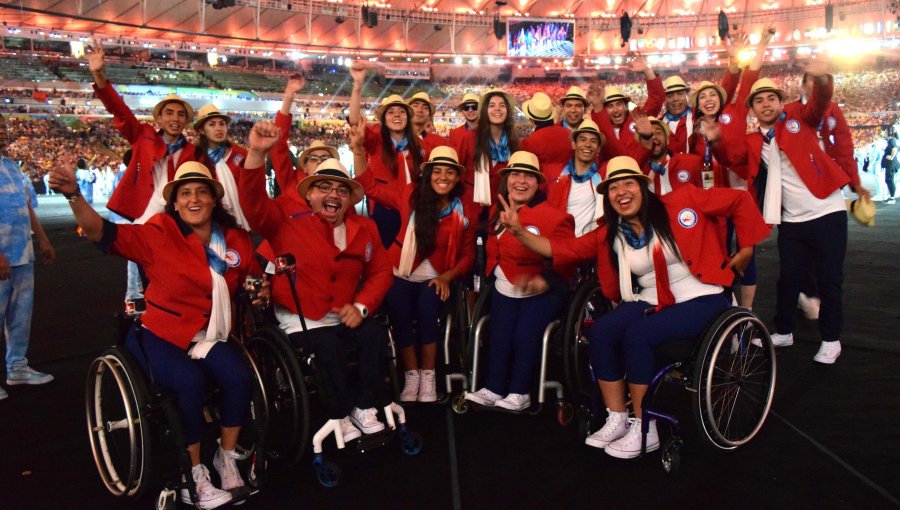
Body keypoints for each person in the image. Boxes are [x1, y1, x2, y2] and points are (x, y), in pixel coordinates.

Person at [505, 156, 769, 458]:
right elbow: (565, 249)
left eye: (628, 183)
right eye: (613, 188)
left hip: (701, 295)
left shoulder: (682, 201)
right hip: (651, 299)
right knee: (603, 331)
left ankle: (647, 425)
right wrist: (518, 231)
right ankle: (617, 416)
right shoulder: (611, 233)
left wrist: (746, 248)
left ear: (643, 187)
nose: (621, 192)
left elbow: (740, 199)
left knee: (638, 335)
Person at [50, 158, 260, 509]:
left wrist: (259, 287)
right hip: (161, 334)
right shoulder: (160, 232)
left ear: (213, 199)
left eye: (201, 192)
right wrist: (75, 196)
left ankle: (226, 458)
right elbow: (103, 232)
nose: (194, 199)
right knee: (189, 382)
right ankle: (191, 474)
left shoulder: (236, 239)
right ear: (175, 202)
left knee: (239, 376)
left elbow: (248, 279)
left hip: (208, 335)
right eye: (186, 193)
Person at [238, 121, 394, 442]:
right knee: (328, 346)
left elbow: (381, 272)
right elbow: (253, 205)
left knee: (374, 335)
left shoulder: (365, 229)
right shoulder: (285, 222)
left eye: (341, 189)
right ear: (309, 194)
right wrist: (255, 153)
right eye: (323, 187)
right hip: (302, 318)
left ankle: (364, 406)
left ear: (350, 198)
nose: (333, 194)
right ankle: (338, 412)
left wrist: (362, 307)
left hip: (344, 313)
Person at [709, 60, 870, 364]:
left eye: (771, 98)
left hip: (827, 211)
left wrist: (822, 78)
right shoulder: (754, 140)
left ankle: (831, 339)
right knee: (789, 278)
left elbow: (820, 103)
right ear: (752, 110)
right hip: (792, 220)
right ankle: (784, 330)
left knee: (829, 279)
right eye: (759, 100)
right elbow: (732, 159)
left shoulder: (800, 116)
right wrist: (716, 141)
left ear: (782, 102)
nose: (766, 104)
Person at [355, 141, 476, 403]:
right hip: (399, 271)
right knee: (398, 308)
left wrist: (447, 277)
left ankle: (429, 375)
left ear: (457, 177)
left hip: (436, 278)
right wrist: (357, 151)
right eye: (437, 171)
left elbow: (468, 256)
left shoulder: (464, 211)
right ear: (428, 174)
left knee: (426, 309)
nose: (442, 177)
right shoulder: (409, 195)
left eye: (449, 172)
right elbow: (370, 187)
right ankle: (412, 375)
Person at [463, 151, 575, 411]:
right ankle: (493, 386)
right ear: (507, 179)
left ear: (538, 183)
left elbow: (569, 258)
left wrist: (545, 280)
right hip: (504, 286)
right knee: (499, 334)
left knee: (524, 334)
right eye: (516, 174)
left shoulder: (555, 217)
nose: (521, 181)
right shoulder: (497, 210)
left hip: (542, 289)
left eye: (528, 176)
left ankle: (520, 391)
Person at [88, 38, 196, 223]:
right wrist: (99, 76)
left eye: (180, 114)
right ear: (159, 119)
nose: (175, 118)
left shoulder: (193, 152)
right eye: (169, 113)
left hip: (180, 217)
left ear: (186, 120)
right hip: (144, 214)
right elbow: (120, 111)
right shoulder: (143, 136)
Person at [1, 114, 56, 401]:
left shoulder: (12, 166)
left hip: (23, 254)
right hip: (1, 257)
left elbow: (27, 207)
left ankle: (17, 367)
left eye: (2, 127)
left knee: (20, 316)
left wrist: (43, 239)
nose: (1, 132)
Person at [348, 61, 428, 247]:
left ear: (408, 118)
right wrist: (357, 86)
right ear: (384, 119)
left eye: (401, 112)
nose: (397, 115)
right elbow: (353, 121)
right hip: (383, 208)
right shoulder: (376, 138)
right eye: (391, 112)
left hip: (413, 208)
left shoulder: (419, 145)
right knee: (384, 255)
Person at [587, 53, 665, 161]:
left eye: (619, 104)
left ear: (626, 106)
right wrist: (597, 107)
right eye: (610, 106)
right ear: (604, 110)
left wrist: (648, 71)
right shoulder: (598, 128)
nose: (615, 109)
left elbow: (657, 99)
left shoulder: (638, 119)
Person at [544, 119, 608, 237]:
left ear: (599, 149)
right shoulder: (555, 173)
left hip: (588, 246)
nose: (587, 144)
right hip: (558, 242)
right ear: (573, 144)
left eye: (593, 141)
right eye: (582, 140)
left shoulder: (604, 175)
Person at [457, 88, 519, 209]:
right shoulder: (470, 138)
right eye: (492, 105)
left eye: (502, 105)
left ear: (508, 111)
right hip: (472, 208)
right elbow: (458, 173)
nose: (497, 109)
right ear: (485, 111)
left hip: (502, 208)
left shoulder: (515, 143)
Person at [192, 104, 251, 230]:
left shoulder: (240, 154)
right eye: (212, 124)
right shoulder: (196, 159)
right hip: (211, 222)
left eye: (222, 124)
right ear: (202, 130)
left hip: (245, 219)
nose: (218, 128)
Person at [520, 92, 576, 175]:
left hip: (544, 185)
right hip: (568, 183)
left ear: (531, 119)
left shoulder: (529, 142)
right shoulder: (569, 134)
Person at [881, 130, 897, 204]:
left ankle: (892, 198)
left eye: (885, 132)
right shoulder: (890, 141)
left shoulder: (892, 140)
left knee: (890, 180)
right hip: (888, 164)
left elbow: (895, 148)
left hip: (891, 164)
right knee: (888, 180)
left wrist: (891, 157)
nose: (883, 133)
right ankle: (890, 196)